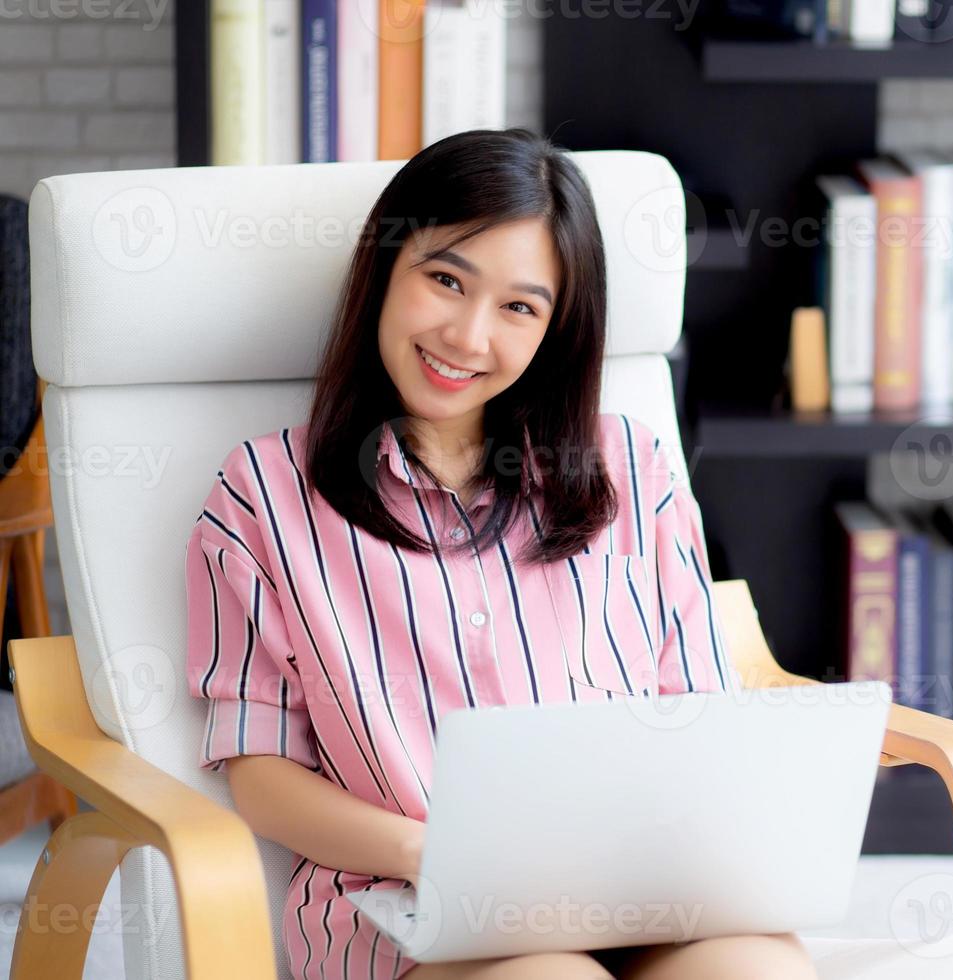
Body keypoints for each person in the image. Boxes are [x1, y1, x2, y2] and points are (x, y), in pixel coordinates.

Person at [183, 129, 819, 980]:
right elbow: (260, 771)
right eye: (445, 279)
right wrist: (439, 852)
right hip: (410, 899)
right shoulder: (260, 494)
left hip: (635, 885)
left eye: (520, 307)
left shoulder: (632, 467)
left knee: (757, 970)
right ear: (385, 268)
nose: (469, 336)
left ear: (556, 329)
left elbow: (697, 713)